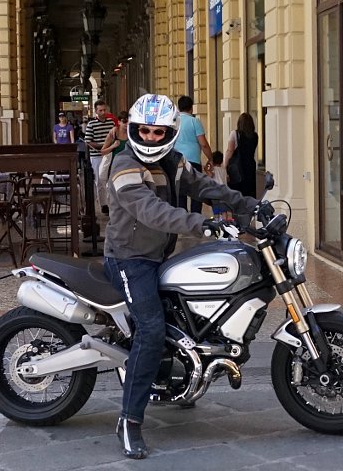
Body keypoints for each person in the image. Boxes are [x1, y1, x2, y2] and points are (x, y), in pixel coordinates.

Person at [105, 93, 260, 459]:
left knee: (185, 318)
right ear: (133, 130)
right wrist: (203, 223)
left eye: (158, 132)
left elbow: (207, 187)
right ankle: (129, 420)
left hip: (158, 256)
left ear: (171, 131)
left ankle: (179, 378)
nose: (151, 138)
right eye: (144, 131)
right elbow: (152, 211)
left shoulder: (175, 162)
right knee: (151, 329)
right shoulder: (124, 165)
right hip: (129, 259)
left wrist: (249, 204)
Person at [173, 95, 214, 213]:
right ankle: (196, 219)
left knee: (180, 192)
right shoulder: (194, 122)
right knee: (196, 191)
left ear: (179, 108)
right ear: (191, 108)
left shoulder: (174, 123)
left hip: (177, 162)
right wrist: (210, 158)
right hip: (193, 162)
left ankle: (182, 218)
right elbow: (204, 144)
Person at [85, 100, 115, 211]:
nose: (103, 112)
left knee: (110, 179)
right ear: (96, 111)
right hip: (96, 156)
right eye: (100, 110)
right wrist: (103, 146)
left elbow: (113, 137)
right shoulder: (91, 124)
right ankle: (103, 204)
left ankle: (111, 201)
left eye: (104, 110)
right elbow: (88, 141)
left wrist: (110, 147)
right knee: (99, 180)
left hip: (110, 154)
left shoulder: (111, 122)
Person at [98, 110, 129, 210]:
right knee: (114, 191)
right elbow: (102, 151)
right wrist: (113, 146)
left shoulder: (132, 134)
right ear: (119, 122)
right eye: (124, 121)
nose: (127, 124)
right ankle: (115, 211)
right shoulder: (113, 134)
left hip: (128, 166)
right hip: (115, 167)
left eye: (129, 122)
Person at [223, 112, 258, 197]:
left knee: (237, 193)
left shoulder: (234, 134)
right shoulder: (255, 136)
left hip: (237, 168)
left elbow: (230, 151)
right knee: (249, 192)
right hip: (250, 167)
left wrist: (224, 165)